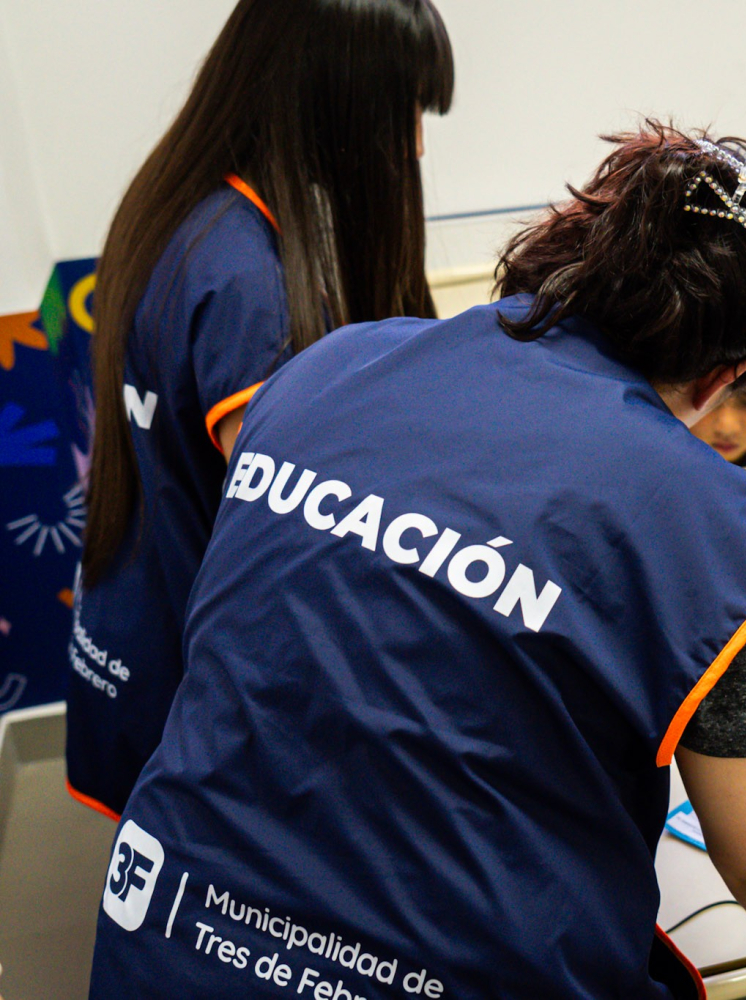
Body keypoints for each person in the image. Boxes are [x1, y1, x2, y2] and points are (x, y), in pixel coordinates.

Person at [88, 123, 746, 999]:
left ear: (569, 245)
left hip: (164, 937)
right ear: (724, 377)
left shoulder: (330, 366)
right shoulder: (708, 518)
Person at [67, 0, 454, 819]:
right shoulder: (249, 285)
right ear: (327, 97)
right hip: (203, 699)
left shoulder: (185, 211)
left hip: (133, 641)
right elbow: (298, 540)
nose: (416, 144)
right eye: (404, 109)